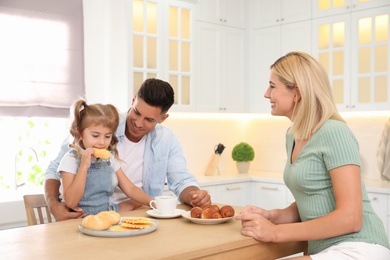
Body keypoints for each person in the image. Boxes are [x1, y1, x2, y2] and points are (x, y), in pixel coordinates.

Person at [235, 52, 390, 259]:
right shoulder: (292, 135)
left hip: (359, 245)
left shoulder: (334, 131)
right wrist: (272, 216)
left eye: (272, 86)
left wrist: (275, 232)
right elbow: (312, 200)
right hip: (324, 248)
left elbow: (351, 218)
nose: (266, 94)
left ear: (297, 92)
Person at [45, 78, 211, 220]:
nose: (138, 123)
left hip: (135, 213)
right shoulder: (102, 125)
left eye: (149, 119)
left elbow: (181, 181)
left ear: (162, 118)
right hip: (90, 215)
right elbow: (54, 169)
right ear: (133, 101)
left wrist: (194, 196)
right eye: (137, 112)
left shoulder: (166, 140)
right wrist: (53, 204)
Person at [59, 99, 154, 215]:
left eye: (107, 136)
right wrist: (83, 167)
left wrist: (152, 202)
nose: (102, 142)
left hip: (106, 213)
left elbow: (130, 189)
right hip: (82, 217)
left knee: (141, 204)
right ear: (80, 133)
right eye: (95, 136)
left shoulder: (109, 158)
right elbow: (71, 202)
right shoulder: (71, 160)